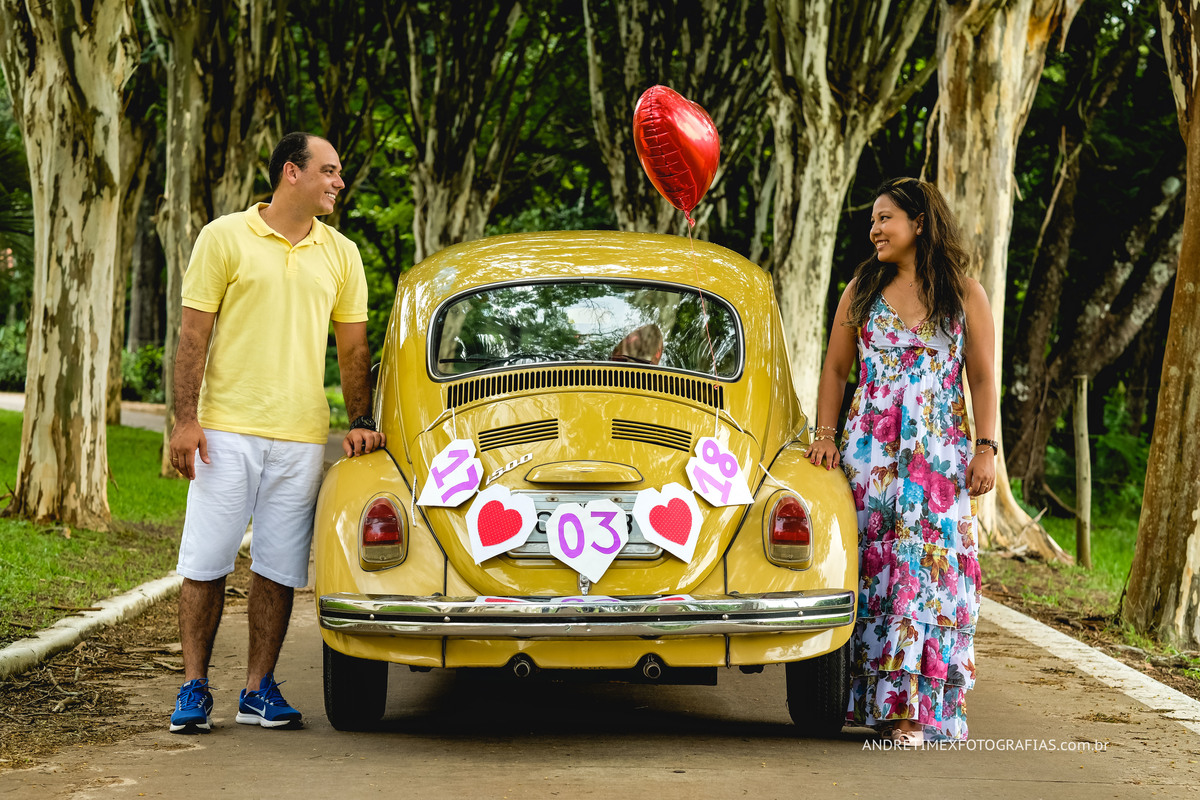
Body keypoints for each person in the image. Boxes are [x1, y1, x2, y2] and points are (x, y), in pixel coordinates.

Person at [167, 132, 385, 734]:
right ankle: (193, 687)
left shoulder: (342, 254)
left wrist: (360, 420)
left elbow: (353, 347)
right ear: (293, 172)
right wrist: (185, 422)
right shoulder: (224, 237)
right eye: (330, 170)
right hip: (226, 431)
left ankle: (258, 690)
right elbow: (192, 336)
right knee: (207, 561)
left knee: (279, 568)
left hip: (299, 436)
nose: (339, 181)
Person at [807, 177, 997, 747]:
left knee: (927, 576)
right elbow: (836, 371)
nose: (875, 230)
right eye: (872, 221)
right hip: (871, 457)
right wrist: (824, 435)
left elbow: (984, 378)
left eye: (885, 218)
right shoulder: (862, 290)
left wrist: (986, 448)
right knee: (875, 572)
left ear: (919, 223)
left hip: (939, 461)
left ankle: (913, 712)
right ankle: (872, 704)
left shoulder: (964, 294)